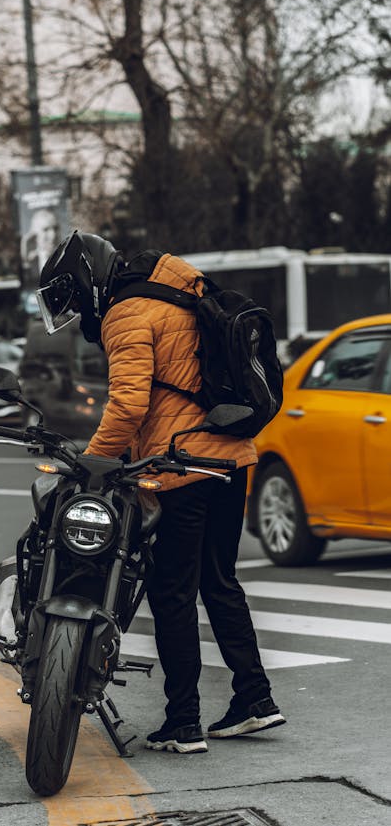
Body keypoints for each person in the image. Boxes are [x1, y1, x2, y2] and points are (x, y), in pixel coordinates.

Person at [37, 231, 286, 754]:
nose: (78, 311)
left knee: (172, 593)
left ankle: (183, 721)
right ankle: (255, 701)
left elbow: (128, 404)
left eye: (72, 296)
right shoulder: (183, 288)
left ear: (86, 281)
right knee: (220, 583)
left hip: (182, 466)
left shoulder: (127, 313)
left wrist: (94, 461)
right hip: (231, 457)